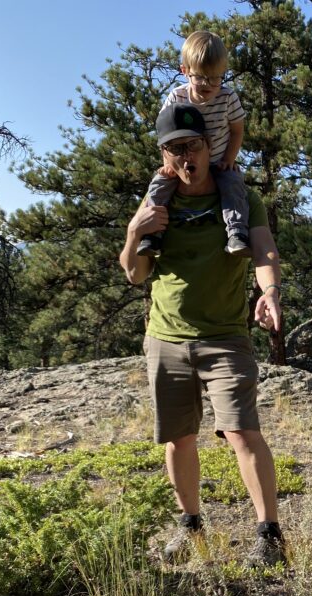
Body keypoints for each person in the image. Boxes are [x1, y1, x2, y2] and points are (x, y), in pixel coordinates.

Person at [119, 103, 286, 567]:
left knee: (242, 431)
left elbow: (264, 249)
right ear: (164, 156)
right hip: (165, 339)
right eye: (174, 150)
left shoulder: (239, 198)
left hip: (225, 336)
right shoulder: (158, 201)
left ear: (209, 146)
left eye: (191, 146)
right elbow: (134, 274)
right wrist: (136, 232)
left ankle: (269, 536)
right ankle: (189, 528)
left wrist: (269, 292)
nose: (185, 157)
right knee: (178, 438)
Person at [137, 30, 250, 259]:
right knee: (159, 187)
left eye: (216, 77)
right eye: (201, 77)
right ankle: (152, 235)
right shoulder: (176, 98)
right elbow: (165, 134)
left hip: (217, 161)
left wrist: (229, 159)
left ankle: (236, 233)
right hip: (183, 163)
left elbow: (237, 130)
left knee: (233, 186)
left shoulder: (228, 98)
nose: (208, 84)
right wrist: (168, 164)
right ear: (185, 71)